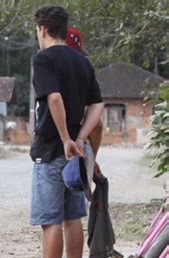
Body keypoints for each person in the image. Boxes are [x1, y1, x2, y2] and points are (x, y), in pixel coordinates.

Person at [20, 5, 104, 258]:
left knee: (51, 220)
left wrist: (67, 138)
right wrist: (81, 138)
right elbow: (97, 107)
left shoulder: (43, 59)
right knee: (72, 217)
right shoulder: (81, 61)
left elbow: (53, 98)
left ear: (41, 29)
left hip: (52, 151)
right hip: (76, 157)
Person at [66, 26, 104, 180]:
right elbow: (97, 125)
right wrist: (92, 160)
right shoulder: (84, 75)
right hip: (78, 156)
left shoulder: (48, 74)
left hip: (48, 153)